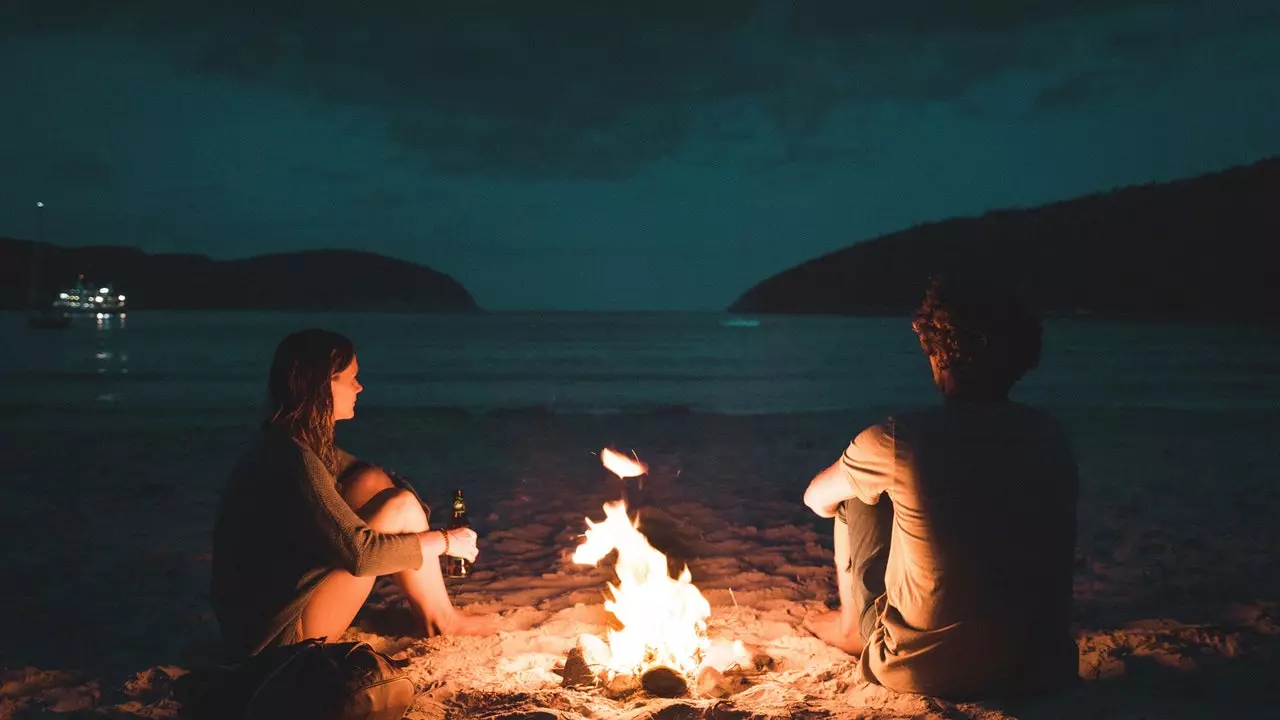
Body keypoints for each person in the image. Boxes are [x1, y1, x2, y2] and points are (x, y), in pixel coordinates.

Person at [803, 275, 1079, 699]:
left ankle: (849, 627)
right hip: (1041, 666)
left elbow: (815, 500)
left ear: (939, 356)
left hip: (922, 669)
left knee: (856, 495)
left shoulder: (901, 439)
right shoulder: (1051, 436)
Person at [211, 328, 484, 658]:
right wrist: (445, 541)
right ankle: (442, 620)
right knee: (399, 507)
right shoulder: (294, 458)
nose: (359, 387)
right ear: (324, 384)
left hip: (256, 620)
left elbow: (377, 481)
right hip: (278, 640)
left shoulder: (289, 441)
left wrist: (409, 510)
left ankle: (439, 614)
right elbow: (362, 555)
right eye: (351, 378)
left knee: (372, 482)